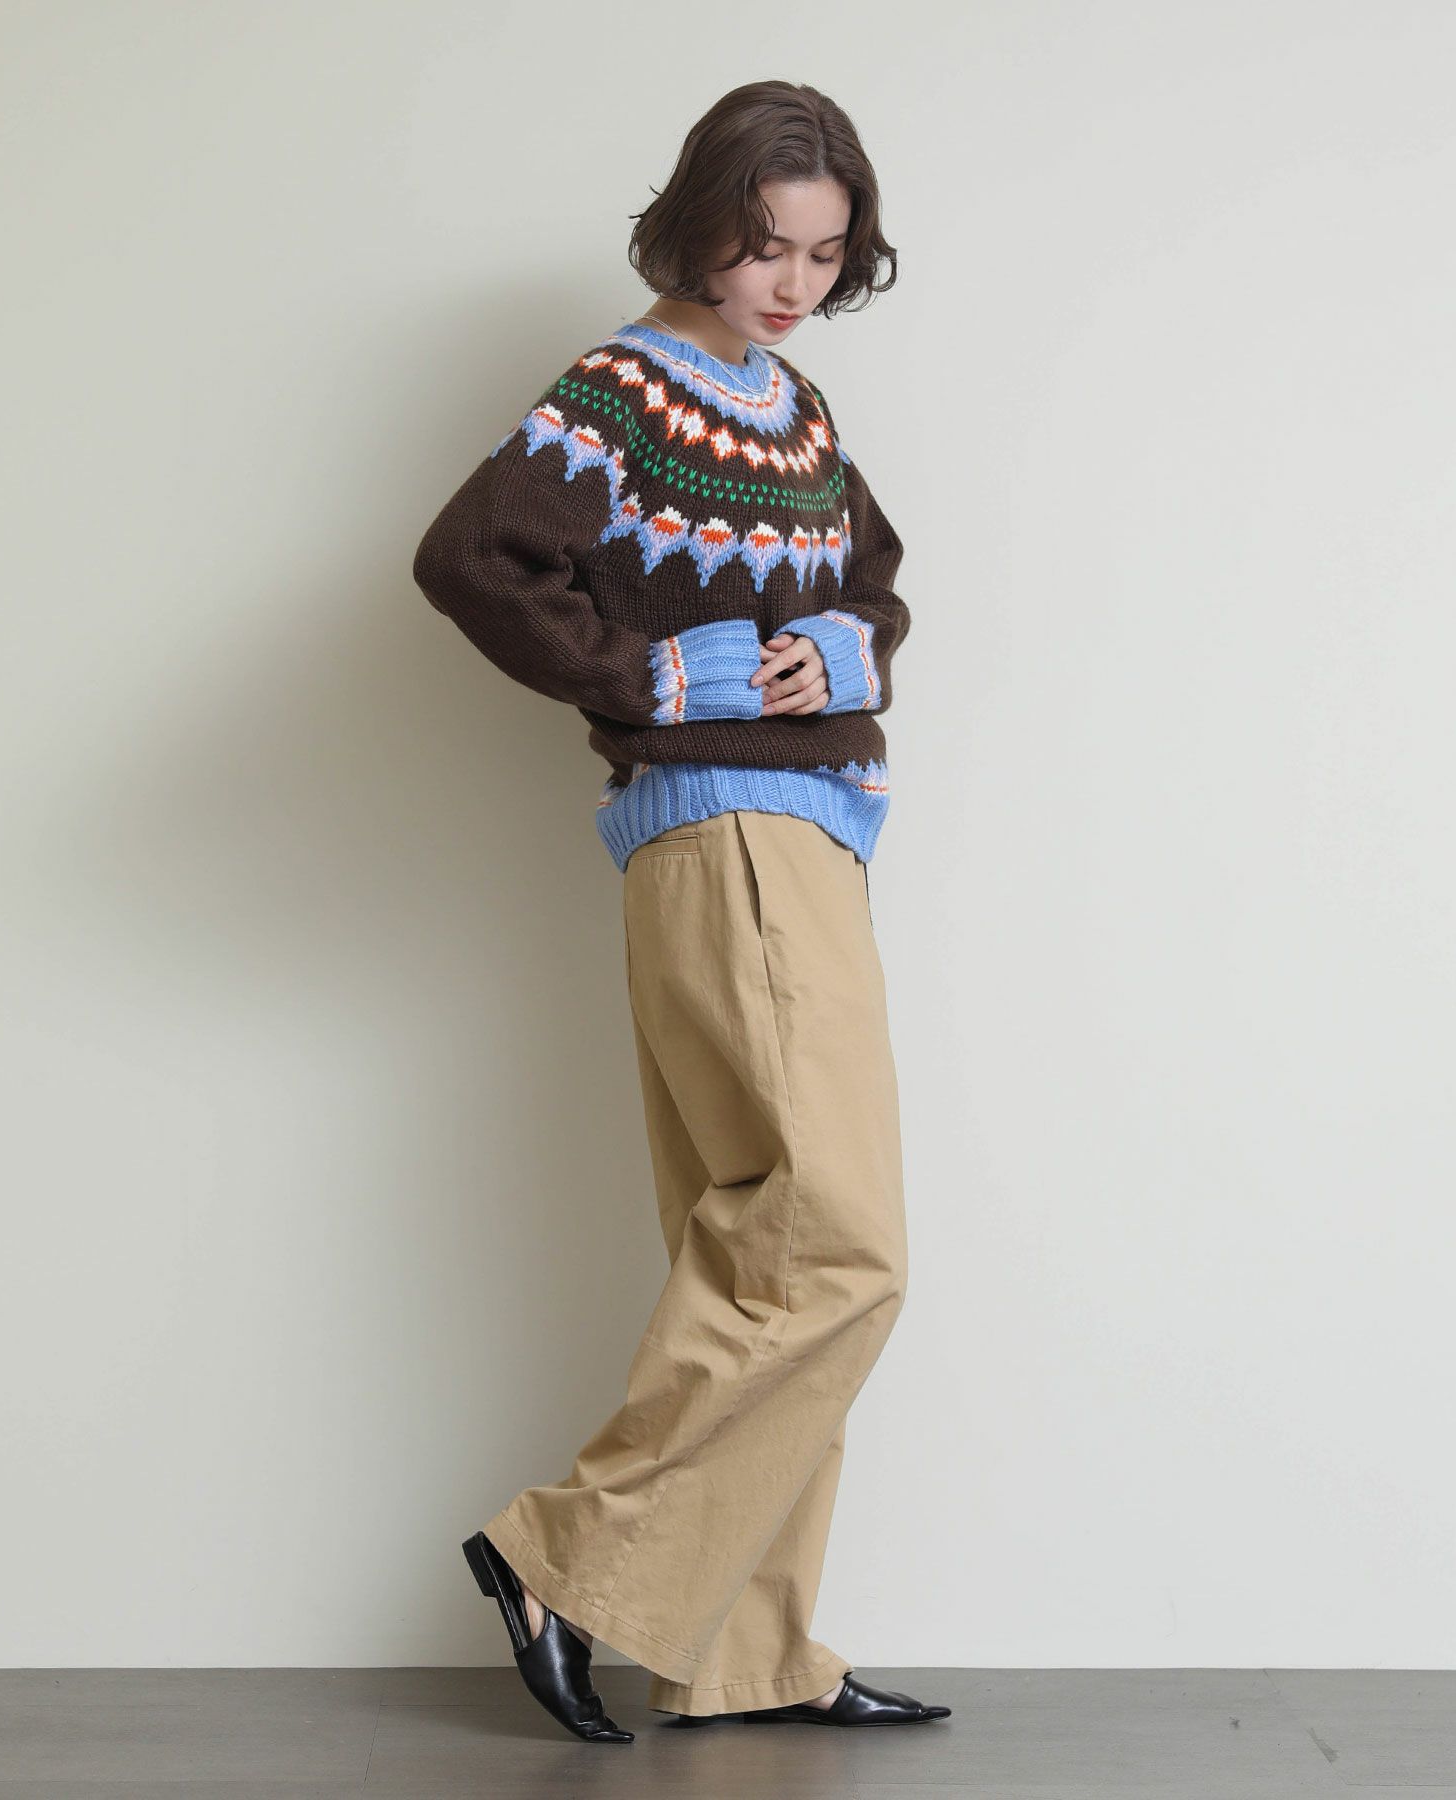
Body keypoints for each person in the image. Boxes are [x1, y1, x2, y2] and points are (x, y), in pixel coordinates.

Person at [412, 79, 949, 1746]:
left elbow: (873, 582)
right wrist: (653, 674)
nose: (792, 281)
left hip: (789, 836)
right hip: (736, 837)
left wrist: (846, 647)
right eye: (764, 244)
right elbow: (472, 557)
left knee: (756, 1244)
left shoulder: (787, 405)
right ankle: (564, 1562)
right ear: (701, 223)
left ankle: (746, 1650)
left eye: (824, 253)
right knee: (837, 1246)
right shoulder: (631, 389)